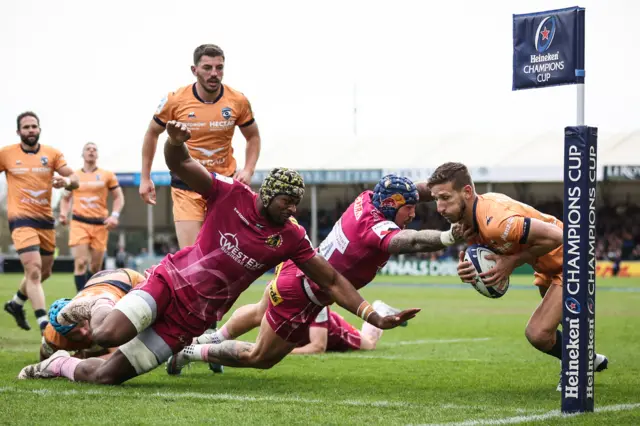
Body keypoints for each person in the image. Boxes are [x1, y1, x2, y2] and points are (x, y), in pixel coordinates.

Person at [17, 121, 416, 384]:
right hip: (169, 284)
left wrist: (370, 313)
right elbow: (182, 164)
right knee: (106, 333)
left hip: (191, 320)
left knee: (104, 377)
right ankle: (97, 301)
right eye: (287, 202)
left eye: (297, 204)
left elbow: (329, 278)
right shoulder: (230, 194)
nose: (292, 211)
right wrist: (174, 143)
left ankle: (56, 366)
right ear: (268, 194)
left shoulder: (290, 236)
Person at [165, 174, 462, 373]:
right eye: (408, 209)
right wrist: (448, 236)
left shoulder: (369, 197)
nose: (413, 214)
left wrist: (446, 190)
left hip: (300, 265)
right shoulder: (376, 230)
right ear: (390, 206)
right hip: (303, 293)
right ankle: (191, 352)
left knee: (259, 311)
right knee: (261, 357)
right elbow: (408, 241)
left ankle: (208, 340)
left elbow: (412, 190)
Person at [426, 162, 608, 390]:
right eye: (435, 199)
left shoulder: (497, 222)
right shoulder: (469, 220)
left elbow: (561, 236)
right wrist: (471, 270)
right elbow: (490, 257)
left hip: (572, 259)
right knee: (565, 327)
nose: (440, 207)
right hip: (546, 266)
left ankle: (575, 368)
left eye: (445, 198)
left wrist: (512, 262)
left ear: (467, 192)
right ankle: (587, 359)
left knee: (538, 333)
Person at [1, 111, 79, 333]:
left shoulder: (52, 154)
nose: (30, 130)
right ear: (18, 132)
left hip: (45, 221)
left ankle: (16, 303)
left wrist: (65, 181)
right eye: (26, 127)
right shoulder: (6, 154)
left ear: (39, 129)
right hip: (20, 220)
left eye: (33, 126)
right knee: (33, 270)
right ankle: (45, 326)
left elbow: (75, 180)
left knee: (45, 272)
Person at [39, 268, 145, 361]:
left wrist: (72, 362)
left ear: (84, 315)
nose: (84, 332)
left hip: (129, 281)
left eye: (83, 325)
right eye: (76, 334)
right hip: (97, 284)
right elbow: (43, 358)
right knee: (95, 349)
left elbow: (119, 359)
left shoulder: (102, 315)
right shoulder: (52, 337)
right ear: (63, 336)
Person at [59, 143, 125, 292]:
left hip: (100, 225)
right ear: (82, 154)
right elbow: (65, 198)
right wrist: (63, 213)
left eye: (94, 149)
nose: (91, 151)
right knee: (81, 262)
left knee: (95, 267)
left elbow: (118, 197)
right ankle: (80, 299)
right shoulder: (74, 176)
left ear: (97, 155)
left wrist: (114, 216)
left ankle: (90, 295)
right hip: (79, 222)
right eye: (88, 149)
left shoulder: (107, 175)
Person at [290, 301, 399, 355]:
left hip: (336, 330)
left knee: (370, 343)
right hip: (316, 329)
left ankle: (380, 311)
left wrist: (289, 352)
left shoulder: (316, 302)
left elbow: (318, 347)